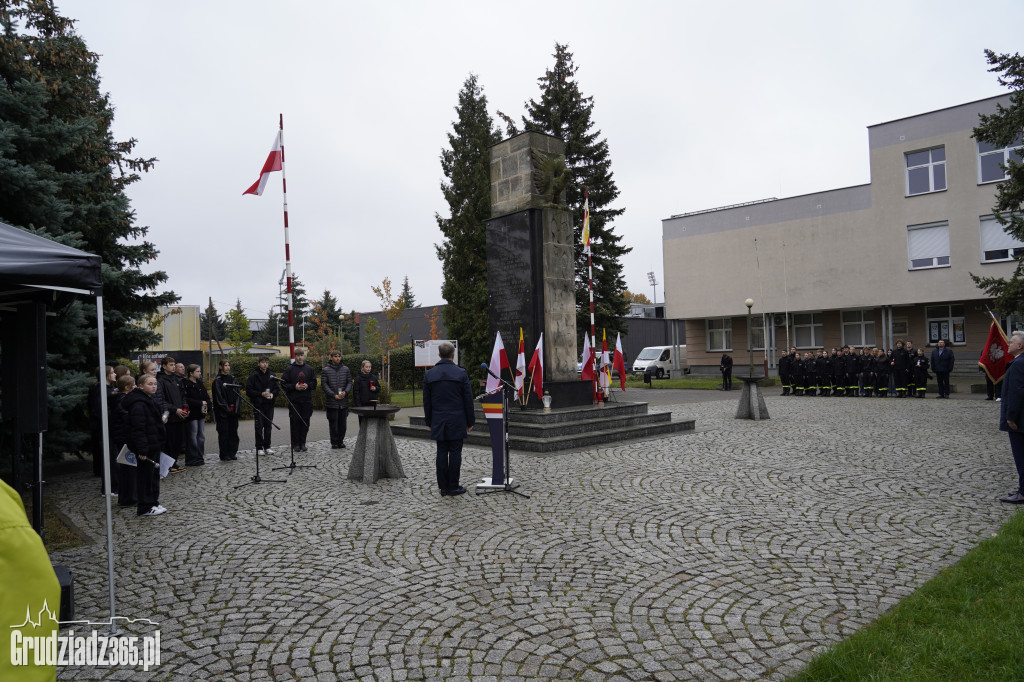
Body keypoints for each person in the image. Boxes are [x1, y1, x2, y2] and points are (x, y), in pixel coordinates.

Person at [422, 342, 475, 497]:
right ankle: (453, 486)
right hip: (457, 418)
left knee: (441, 451)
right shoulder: (461, 373)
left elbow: (427, 402)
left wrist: (429, 421)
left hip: (438, 418)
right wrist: (470, 421)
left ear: (439, 355)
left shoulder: (429, 375)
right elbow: (468, 400)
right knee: (455, 452)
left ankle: (443, 487)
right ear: (453, 355)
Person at [123, 374, 166, 516]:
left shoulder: (148, 400)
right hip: (145, 446)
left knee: (153, 476)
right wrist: (142, 449)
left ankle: (153, 501)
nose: (154, 386)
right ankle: (144, 506)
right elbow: (138, 429)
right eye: (150, 384)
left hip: (153, 444)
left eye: (155, 384)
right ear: (140, 386)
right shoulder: (138, 404)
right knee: (145, 477)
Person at [999, 330, 1024, 504]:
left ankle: (1023, 492)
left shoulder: (1018, 364)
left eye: (1012, 342)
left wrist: (1011, 417)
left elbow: (1016, 392)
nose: (1008, 344)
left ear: (1020, 345)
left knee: (1021, 457)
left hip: (1019, 421)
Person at [88, 365, 117, 494]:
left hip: (108, 428)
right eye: (112, 372)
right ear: (106, 375)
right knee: (109, 458)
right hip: (104, 428)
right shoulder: (100, 390)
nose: (115, 374)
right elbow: (101, 411)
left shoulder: (107, 389)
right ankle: (108, 488)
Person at [281, 349, 317, 451]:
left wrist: (307, 385)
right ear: (295, 356)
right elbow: (283, 384)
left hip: (306, 401)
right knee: (295, 423)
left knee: (305, 422)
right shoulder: (289, 369)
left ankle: (303, 443)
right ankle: (296, 444)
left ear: (304, 356)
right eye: (297, 355)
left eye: (301, 355)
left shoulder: (309, 369)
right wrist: (294, 387)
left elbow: (314, 383)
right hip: (294, 401)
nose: (300, 357)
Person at [157, 356, 187, 471]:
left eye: (174, 364)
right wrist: (175, 409)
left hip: (180, 415)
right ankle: (167, 465)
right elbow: (161, 399)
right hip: (170, 416)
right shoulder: (160, 380)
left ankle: (174, 462)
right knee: (169, 441)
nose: (173, 367)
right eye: (171, 365)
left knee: (178, 442)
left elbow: (183, 395)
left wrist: (185, 407)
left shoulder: (177, 379)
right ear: (164, 366)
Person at [112, 374, 137, 508]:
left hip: (123, 436)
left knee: (129, 469)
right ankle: (129, 498)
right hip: (124, 438)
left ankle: (129, 496)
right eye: (134, 385)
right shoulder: (122, 401)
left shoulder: (122, 399)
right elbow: (126, 417)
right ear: (128, 388)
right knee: (128, 469)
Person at [246, 356, 279, 456]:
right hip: (259, 404)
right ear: (258, 363)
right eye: (263, 362)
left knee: (268, 426)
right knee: (259, 426)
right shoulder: (254, 376)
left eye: (266, 362)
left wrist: (273, 394)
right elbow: (249, 390)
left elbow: (277, 388)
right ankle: (259, 447)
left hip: (269, 404)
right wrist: (260, 394)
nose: (265, 364)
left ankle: (267, 446)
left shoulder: (272, 375)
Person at [322, 350, 353, 449]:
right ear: (331, 357)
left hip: (343, 401)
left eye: (339, 356)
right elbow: (324, 385)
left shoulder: (346, 369)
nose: (337, 358)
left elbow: (349, 382)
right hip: (332, 402)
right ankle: (334, 442)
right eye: (335, 356)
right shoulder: (326, 370)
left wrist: (346, 392)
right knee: (333, 424)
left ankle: (341, 441)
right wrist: (333, 395)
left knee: (342, 424)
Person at [211, 359, 241, 461]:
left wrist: (236, 409)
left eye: (229, 365)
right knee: (224, 433)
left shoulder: (233, 379)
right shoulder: (217, 381)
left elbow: (238, 395)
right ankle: (224, 454)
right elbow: (219, 398)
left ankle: (232, 452)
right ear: (220, 367)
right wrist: (227, 409)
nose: (227, 367)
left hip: (233, 412)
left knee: (233, 433)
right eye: (225, 365)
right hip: (223, 413)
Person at [182, 364, 210, 466]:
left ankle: (199, 456)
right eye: (198, 371)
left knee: (201, 436)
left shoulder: (200, 383)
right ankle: (192, 458)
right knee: (192, 436)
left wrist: (207, 405)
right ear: (191, 373)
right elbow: (186, 399)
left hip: (201, 413)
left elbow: (206, 396)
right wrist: (199, 403)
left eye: (200, 371)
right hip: (192, 414)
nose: (200, 373)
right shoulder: (185, 383)